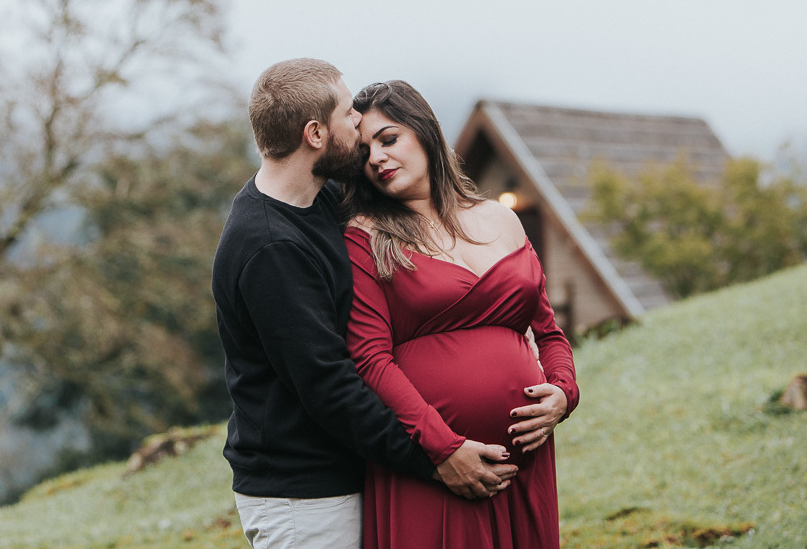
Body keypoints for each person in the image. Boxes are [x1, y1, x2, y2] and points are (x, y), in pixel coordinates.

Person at [212, 59, 520, 549]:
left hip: (356, 474)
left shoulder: (323, 199)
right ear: (315, 133)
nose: (359, 122)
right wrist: (436, 459)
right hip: (306, 499)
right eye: (348, 114)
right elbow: (329, 387)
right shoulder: (269, 248)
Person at [343, 80, 580, 549]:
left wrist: (563, 394)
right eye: (364, 152)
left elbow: (548, 333)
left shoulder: (502, 218)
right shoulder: (365, 236)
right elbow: (370, 360)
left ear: (424, 131)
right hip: (435, 469)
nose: (376, 158)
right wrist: (442, 449)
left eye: (388, 139)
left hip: (527, 462)